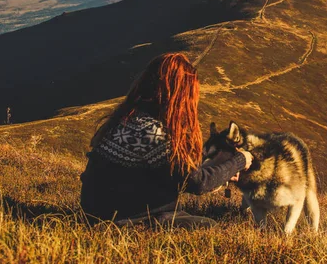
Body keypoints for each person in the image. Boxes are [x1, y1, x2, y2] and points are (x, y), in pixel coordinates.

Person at [80, 53, 252, 229]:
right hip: (128, 220)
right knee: (208, 225)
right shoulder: (156, 133)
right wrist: (240, 160)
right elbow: (198, 183)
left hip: (94, 213)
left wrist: (221, 172)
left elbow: (174, 175)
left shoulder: (123, 119)